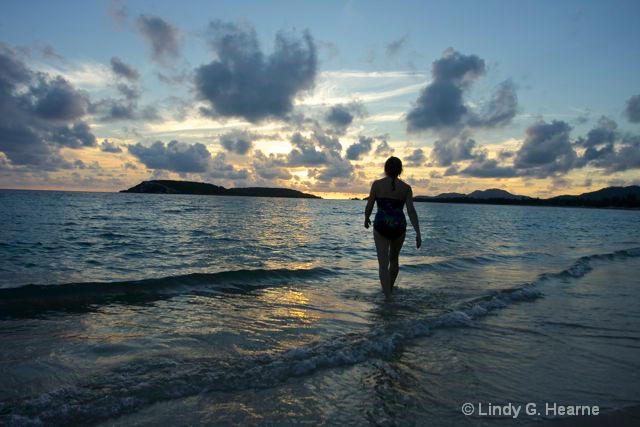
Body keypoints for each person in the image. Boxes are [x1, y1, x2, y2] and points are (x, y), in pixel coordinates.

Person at [364, 157, 421, 299]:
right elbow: (411, 211)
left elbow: (369, 205)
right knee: (394, 259)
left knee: (383, 263)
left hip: (381, 226)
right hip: (399, 227)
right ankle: (389, 289)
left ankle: (387, 297)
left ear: (386, 169)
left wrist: (366, 218)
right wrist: (418, 232)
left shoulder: (377, 185)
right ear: (400, 170)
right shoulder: (406, 188)